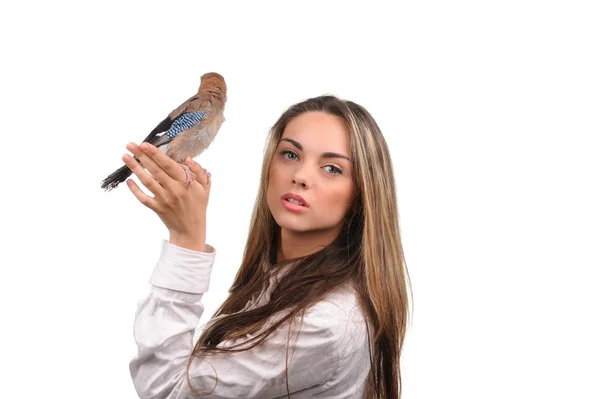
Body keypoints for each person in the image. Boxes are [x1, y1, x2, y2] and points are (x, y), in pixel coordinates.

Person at [124, 95, 412, 398]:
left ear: (361, 194)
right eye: (290, 155)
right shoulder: (278, 280)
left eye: (331, 169)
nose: (300, 176)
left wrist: (186, 241)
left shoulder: (322, 324)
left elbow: (166, 391)